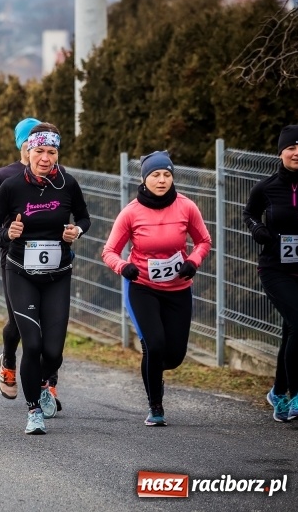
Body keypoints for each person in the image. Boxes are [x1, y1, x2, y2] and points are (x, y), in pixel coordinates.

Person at [0, 123, 91, 435]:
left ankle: (44, 384)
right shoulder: (11, 185)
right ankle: (33, 410)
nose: (45, 158)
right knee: (31, 344)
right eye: (39, 151)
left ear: (58, 154)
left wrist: (77, 231)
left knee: (53, 352)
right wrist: (8, 234)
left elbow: (84, 217)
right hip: (21, 273)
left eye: (51, 152)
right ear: (28, 152)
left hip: (58, 275)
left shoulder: (68, 185)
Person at [102, 150, 211, 426]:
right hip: (143, 288)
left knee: (173, 356)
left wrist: (193, 261)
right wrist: (123, 266)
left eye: (166, 174)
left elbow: (204, 241)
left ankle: (154, 369)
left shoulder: (186, 207)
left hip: (178, 289)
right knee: (154, 344)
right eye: (155, 175)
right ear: (144, 178)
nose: (162, 180)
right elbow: (109, 251)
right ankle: (155, 405)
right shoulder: (131, 212)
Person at [0, 117, 61, 408]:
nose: (37, 151)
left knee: (51, 326)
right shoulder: (5, 177)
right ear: (21, 146)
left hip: (52, 262)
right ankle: (9, 360)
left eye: (45, 146)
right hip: (14, 260)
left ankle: (48, 383)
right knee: (20, 322)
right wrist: (8, 237)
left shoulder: (59, 176)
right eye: (29, 143)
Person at [243, 124, 298, 422]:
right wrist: (258, 229)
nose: (297, 152)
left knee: (293, 330)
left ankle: (278, 392)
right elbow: (249, 213)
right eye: (291, 147)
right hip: (275, 269)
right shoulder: (266, 187)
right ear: (281, 153)